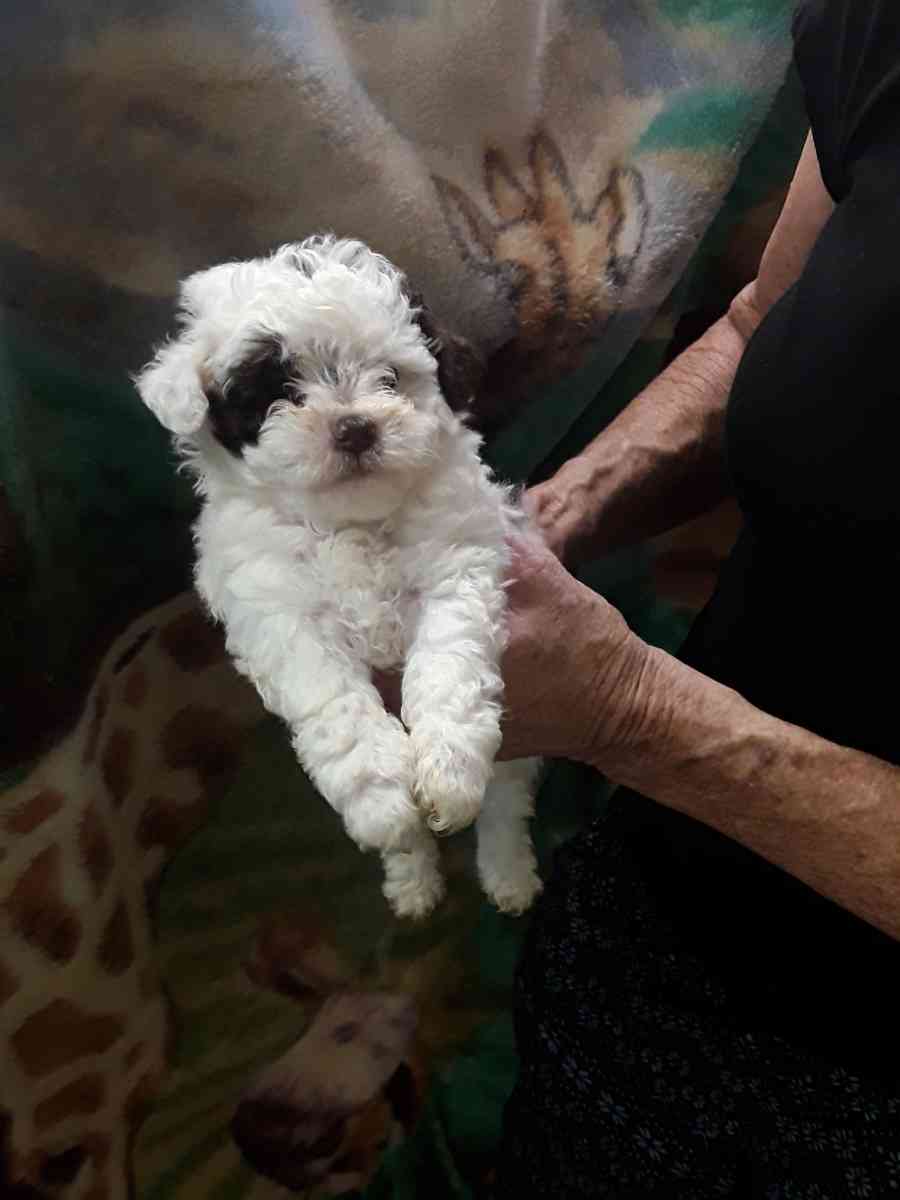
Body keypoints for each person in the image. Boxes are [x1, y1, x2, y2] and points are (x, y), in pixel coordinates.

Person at [489, 1, 900, 1195]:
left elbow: (631, 714)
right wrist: (545, 530)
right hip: (642, 961)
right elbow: (762, 319)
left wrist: (628, 713)